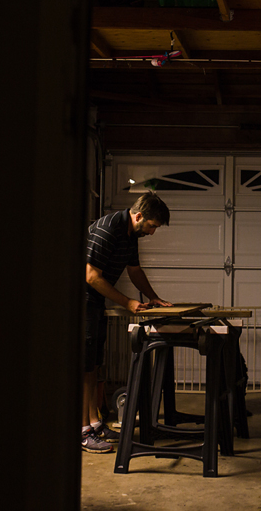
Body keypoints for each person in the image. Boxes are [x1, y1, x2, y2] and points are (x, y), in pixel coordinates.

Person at [81, 191, 172, 453]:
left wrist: (153, 298)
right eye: (152, 226)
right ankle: (83, 431)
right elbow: (91, 276)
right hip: (82, 300)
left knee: (94, 364)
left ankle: (95, 424)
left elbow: (134, 271)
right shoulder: (108, 229)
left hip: (95, 302)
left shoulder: (131, 235)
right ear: (139, 215)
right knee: (84, 366)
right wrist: (128, 302)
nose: (152, 232)